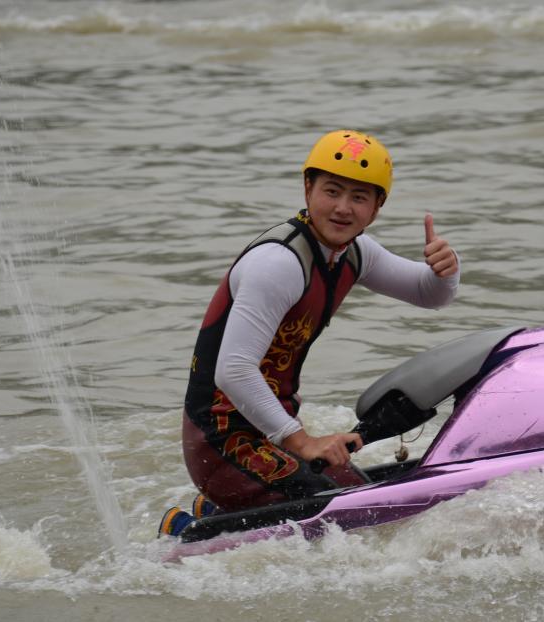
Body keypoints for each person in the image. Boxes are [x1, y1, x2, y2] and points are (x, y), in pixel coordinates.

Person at [160, 129, 459, 537]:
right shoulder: (278, 264)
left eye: (359, 197)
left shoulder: (355, 252)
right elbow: (233, 370)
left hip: (271, 431)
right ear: (307, 188)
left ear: (376, 209)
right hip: (223, 441)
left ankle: (218, 510)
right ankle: (189, 528)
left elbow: (429, 294)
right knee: (353, 524)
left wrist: (446, 271)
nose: (342, 208)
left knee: (367, 500)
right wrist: (302, 443)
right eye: (331, 191)